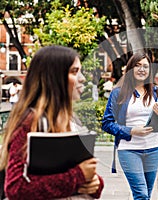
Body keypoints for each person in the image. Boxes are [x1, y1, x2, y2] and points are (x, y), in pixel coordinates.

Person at [0, 45, 104, 199]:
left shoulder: (71, 120)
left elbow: (84, 172)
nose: (82, 78)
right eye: (74, 71)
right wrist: (78, 176)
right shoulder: (30, 122)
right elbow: (15, 188)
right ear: (54, 77)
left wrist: (95, 183)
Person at [102, 52, 158, 200]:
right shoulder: (118, 93)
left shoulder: (156, 92)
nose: (142, 69)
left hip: (153, 148)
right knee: (141, 194)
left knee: (147, 193)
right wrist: (131, 131)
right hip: (129, 150)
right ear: (130, 69)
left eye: (145, 66)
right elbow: (107, 123)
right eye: (138, 65)